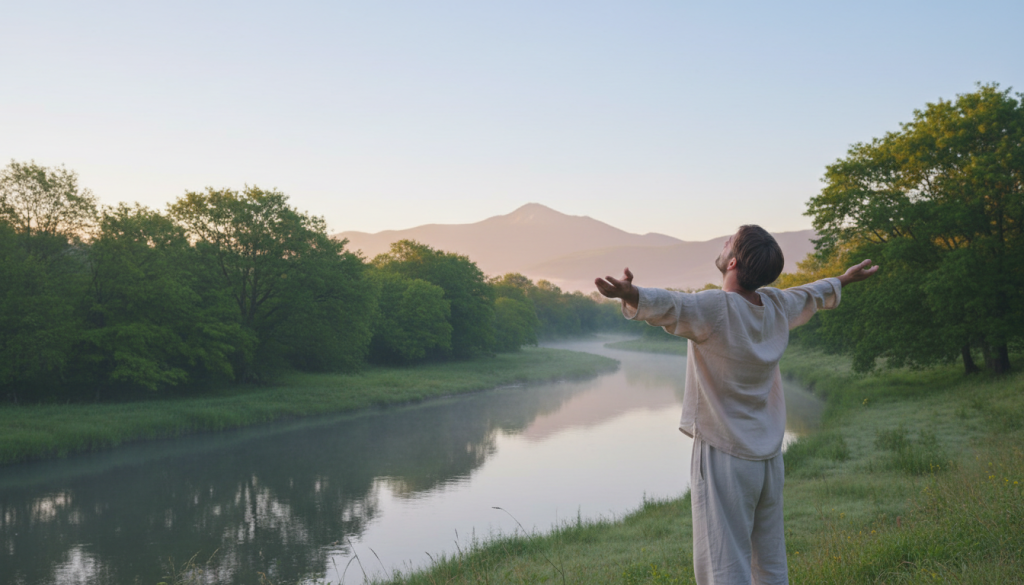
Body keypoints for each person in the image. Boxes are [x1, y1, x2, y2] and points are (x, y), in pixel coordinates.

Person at [594, 224, 878, 585]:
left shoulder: (717, 308)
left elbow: (673, 304)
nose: (724, 243)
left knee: (724, 568)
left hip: (724, 455)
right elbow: (811, 293)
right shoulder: (775, 305)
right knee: (770, 564)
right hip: (769, 458)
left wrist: (631, 293)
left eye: (728, 242)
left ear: (732, 262)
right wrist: (844, 279)